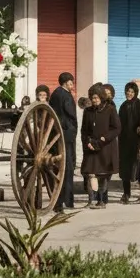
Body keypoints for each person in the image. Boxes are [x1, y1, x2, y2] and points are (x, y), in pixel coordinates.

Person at [79, 86, 120, 209]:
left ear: (101, 97)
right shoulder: (88, 111)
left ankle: (101, 201)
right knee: (90, 174)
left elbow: (117, 128)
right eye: (92, 98)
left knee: (103, 174)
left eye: (96, 98)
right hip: (91, 147)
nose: (94, 100)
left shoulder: (110, 110)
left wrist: (104, 139)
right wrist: (88, 142)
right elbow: (84, 130)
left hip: (106, 147)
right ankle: (91, 200)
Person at [48, 73, 79, 211]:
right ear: (67, 83)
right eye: (72, 83)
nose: (73, 86)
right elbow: (70, 114)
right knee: (67, 168)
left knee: (58, 168)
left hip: (56, 134)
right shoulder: (65, 95)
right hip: (66, 134)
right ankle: (66, 201)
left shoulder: (55, 94)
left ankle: (57, 201)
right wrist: (73, 129)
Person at [117, 81, 140, 204]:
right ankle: (126, 193)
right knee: (125, 169)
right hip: (124, 142)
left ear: (135, 93)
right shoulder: (123, 106)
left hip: (137, 141)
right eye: (127, 92)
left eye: (131, 92)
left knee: (139, 167)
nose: (129, 94)